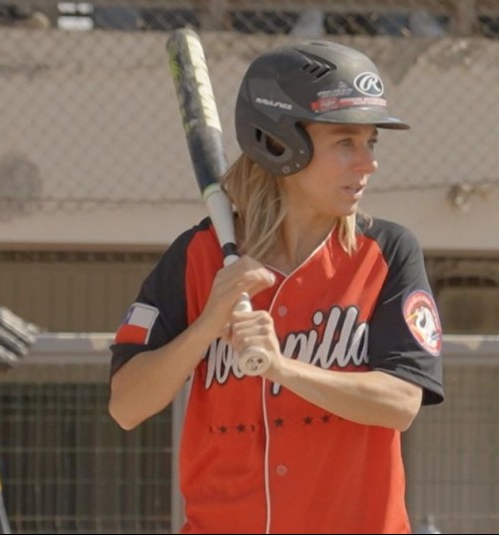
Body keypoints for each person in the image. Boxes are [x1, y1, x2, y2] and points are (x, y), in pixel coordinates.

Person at [108, 39, 444, 534]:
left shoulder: (386, 251)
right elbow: (126, 405)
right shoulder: (198, 257)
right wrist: (207, 325)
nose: (368, 162)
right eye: (345, 142)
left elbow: (400, 403)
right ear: (279, 143)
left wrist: (282, 368)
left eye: (371, 142)